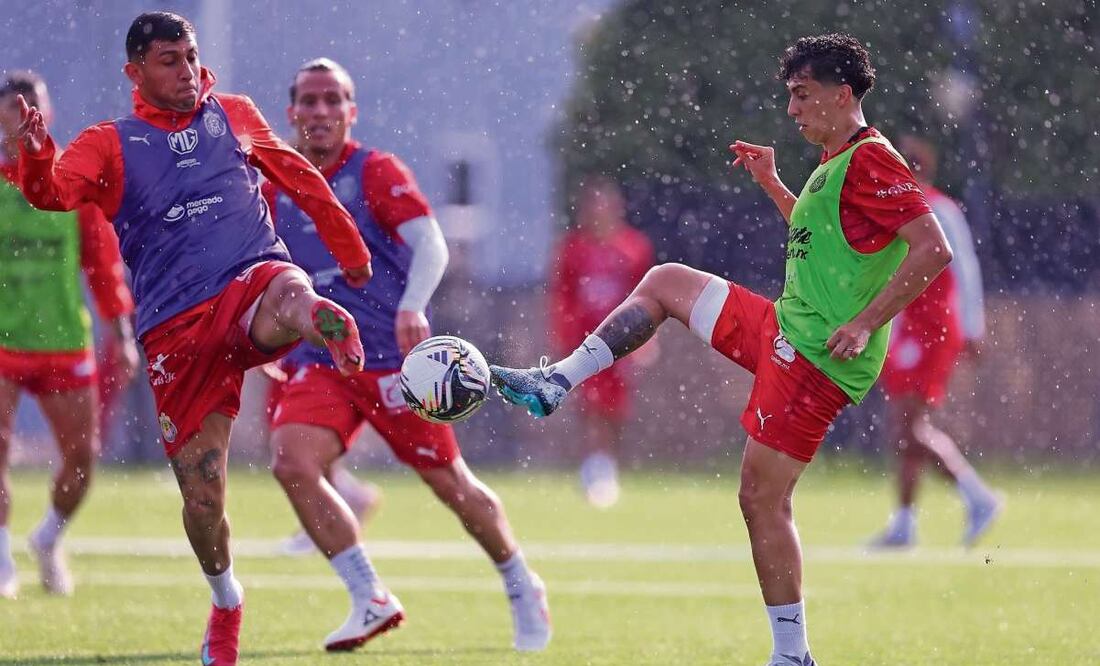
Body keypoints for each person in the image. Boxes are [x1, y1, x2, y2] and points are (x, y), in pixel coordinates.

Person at [491, 33, 954, 666]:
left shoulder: (873, 160)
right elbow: (821, 239)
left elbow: (934, 248)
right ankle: (557, 382)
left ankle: (793, 655)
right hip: (786, 328)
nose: (791, 110)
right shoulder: (837, 162)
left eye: (801, 95)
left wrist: (868, 322)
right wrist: (772, 182)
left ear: (840, 94)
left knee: (761, 499)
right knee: (665, 282)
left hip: (817, 357)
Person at [15, 13, 373, 665]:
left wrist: (350, 255)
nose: (186, 70)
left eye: (190, 55)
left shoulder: (232, 113)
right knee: (204, 498)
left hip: (250, 279)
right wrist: (36, 151)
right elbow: (50, 194)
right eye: (168, 61)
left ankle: (320, 315)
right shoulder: (109, 143)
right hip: (177, 331)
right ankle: (227, 600)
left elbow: (298, 175)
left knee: (288, 291)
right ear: (135, 72)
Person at [262, 57, 550, 652]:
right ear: (291, 113)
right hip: (325, 362)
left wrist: (412, 305)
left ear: (351, 111)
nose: (320, 111)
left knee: (453, 487)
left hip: (395, 363)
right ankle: (368, 596)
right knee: (291, 461)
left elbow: (432, 243)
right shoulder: (276, 184)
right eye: (309, 101)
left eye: (332, 100)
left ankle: (520, 581)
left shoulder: (373, 172)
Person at [0, 71, 139, 599]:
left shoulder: (71, 185)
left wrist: (121, 334)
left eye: (32, 104)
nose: (23, 114)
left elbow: (103, 266)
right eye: (13, 106)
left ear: (48, 112)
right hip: (3, 343)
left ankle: (48, 538)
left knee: (83, 458)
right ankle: (1, 563)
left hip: (62, 340)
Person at [870, 133, 1001, 548]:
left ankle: (976, 496)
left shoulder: (941, 210)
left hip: (935, 329)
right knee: (904, 428)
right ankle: (906, 523)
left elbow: (965, 268)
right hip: (906, 329)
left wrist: (973, 327)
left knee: (910, 426)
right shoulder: (898, 214)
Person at [548, 176, 654, 507]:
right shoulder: (572, 248)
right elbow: (562, 296)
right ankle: (594, 470)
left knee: (615, 407)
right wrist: (563, 335)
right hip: (584, 340)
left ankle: (607, 467)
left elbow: (645, 297)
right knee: (590, 405)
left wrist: (647, 339)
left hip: (621, 340)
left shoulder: (634, 247)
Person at [260, 361, 381, 557]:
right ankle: (346, 495)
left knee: (301, 439)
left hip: (311, 355)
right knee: (282, 435)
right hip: (293, 352)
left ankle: (321, 520)